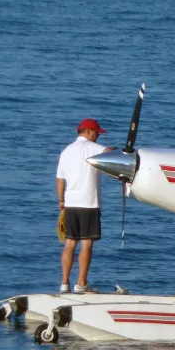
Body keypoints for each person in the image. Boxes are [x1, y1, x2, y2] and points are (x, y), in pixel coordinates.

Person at [56, 118, 116, 294]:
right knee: (86, 244)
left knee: (69, 244)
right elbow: (108, 151)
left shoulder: (66, 152)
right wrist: (120, 151)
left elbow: (60, 180)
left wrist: (61, 201)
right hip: (89, 202)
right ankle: (81, 283)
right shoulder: (91, 147)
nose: (98, 136)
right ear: (88, 132)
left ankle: (64, 283)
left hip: (70, 203)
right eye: (97, 133)